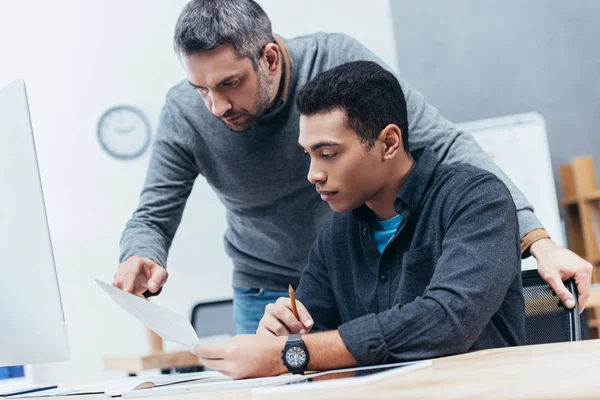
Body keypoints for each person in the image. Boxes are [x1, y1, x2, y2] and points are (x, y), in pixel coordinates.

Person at [112, 0, 591, 334]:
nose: (215, 107)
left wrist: (537, 239)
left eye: (230, 83)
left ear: (271, 58)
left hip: (361, 276)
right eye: (201, 89)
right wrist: (140, 254)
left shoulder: (336, 60)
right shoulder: (185, 111)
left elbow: (441, 142)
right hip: (268, 289)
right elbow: (153, 214)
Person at [192, 61, 524, 379]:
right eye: (308, 154)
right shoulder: (335, 237)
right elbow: (310, 336)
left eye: (329, 154)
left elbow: (447, 321)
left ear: (389, 143)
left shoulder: (477, 200)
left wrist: (289, 353)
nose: (313, 174)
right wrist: (281, 334)